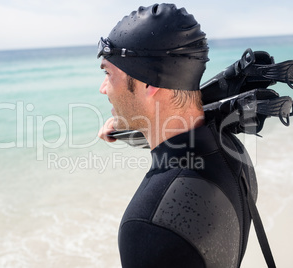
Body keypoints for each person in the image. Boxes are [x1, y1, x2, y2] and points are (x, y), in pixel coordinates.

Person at [97, 4, 258, 268]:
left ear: (148, 82)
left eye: (108, 73)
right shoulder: (233, 152)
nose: (103, 89)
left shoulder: (149, 226)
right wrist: (128, 125)